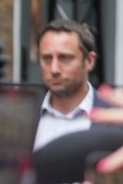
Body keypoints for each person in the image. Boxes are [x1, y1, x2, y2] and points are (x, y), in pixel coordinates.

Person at [33, 18, 107, 151]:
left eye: (65, 58)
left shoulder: (112, 117)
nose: (54, 69)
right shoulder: (23, 116)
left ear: (89, 61)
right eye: (47, 58)